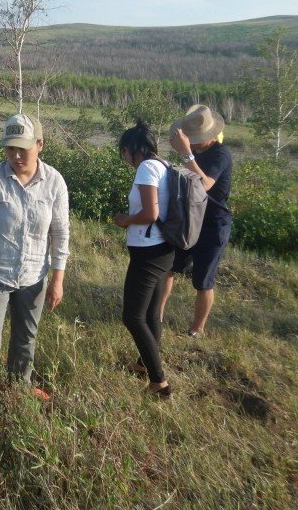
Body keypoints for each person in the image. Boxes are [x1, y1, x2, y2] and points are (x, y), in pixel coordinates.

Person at [0, 113, 69, 432]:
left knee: (26, 338)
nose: (16, 156)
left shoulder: (54, 183)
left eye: (23, 148)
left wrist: (58, 279)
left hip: (34, 276)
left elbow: (60, 234)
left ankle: (19, 386)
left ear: (40, 145)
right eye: (10, 149)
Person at [157, 104, 233, 338]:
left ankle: (196, 328)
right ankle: (156, 315)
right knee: (169, 268)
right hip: (190, 220)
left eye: (195, 140)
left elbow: (205, 184)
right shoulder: (197, 152)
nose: (193, 143)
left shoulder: (220, 154)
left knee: (203, 281)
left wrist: (186, 154)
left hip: (213, 224)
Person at [113, 120, 174, 398]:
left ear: (132, 149)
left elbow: (150, 213)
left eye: (123, 152)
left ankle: (159, 382)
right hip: (163, 249)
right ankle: (142, 364)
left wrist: (126, 221)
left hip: (148, 251)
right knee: (150, 313)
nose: (124, 158)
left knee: (132, 316)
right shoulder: (163, 165)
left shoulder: (146, 168)